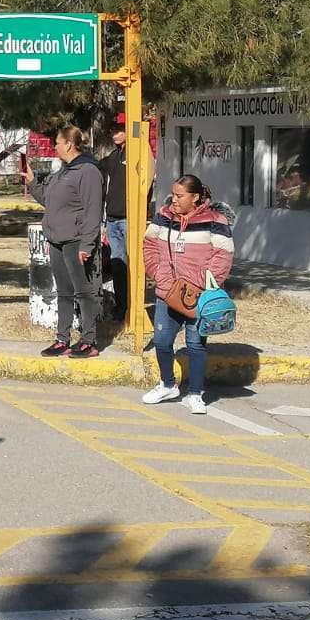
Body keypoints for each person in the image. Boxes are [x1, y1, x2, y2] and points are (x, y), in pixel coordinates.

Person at [143, 173, 234, 413]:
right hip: (167, 292)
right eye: (173, 194)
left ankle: (195, 393)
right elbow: (150, 244)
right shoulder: (164, 216)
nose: (174, 199)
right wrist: (158, 274)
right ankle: (167, 384)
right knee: (162, 342)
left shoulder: (216, 220)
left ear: (195, 197)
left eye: (180, 196)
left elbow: (223, 255)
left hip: (199, 296)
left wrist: (205, 284)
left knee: (195, 345)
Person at [29, 126, 106, 359]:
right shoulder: (62, 171)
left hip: (76, 240)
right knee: (63, 291)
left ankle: (89, 341)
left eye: (57, 143)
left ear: (69, 145)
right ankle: (62, 338)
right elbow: (49, 200)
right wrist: (33, 183)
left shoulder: (88, 170)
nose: (55, 147)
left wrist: (87, 245)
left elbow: (93, 211)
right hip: (57, 240)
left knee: (84, 291)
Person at [100, 113, 130, 318]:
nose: (115, 134)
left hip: (129, 218)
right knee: (118, 264)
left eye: (120, 130)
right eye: (113, 130)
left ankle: (130, 306)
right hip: (112, 218)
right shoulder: (114, 155)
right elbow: (96, 166)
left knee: (131, 265)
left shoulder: (137, 154)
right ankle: (121, 307)